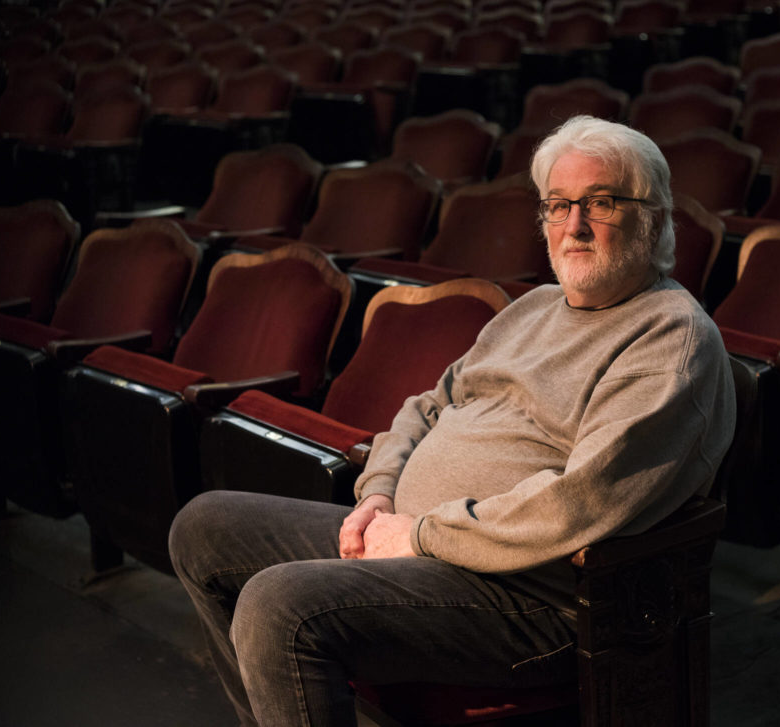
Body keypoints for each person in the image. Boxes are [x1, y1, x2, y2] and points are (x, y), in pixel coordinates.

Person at [169, 115, 737, 726]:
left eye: (599, 203)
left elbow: (580, 501)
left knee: (279, 605)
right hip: (420, 544)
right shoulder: (535, 307)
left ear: (650, 217)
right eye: (557, 205)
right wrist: (379, 496)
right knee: (203, 528)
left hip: (531, 600)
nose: (574, 226)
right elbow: (429, 404)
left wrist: (418, 536)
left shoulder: (670, 340)